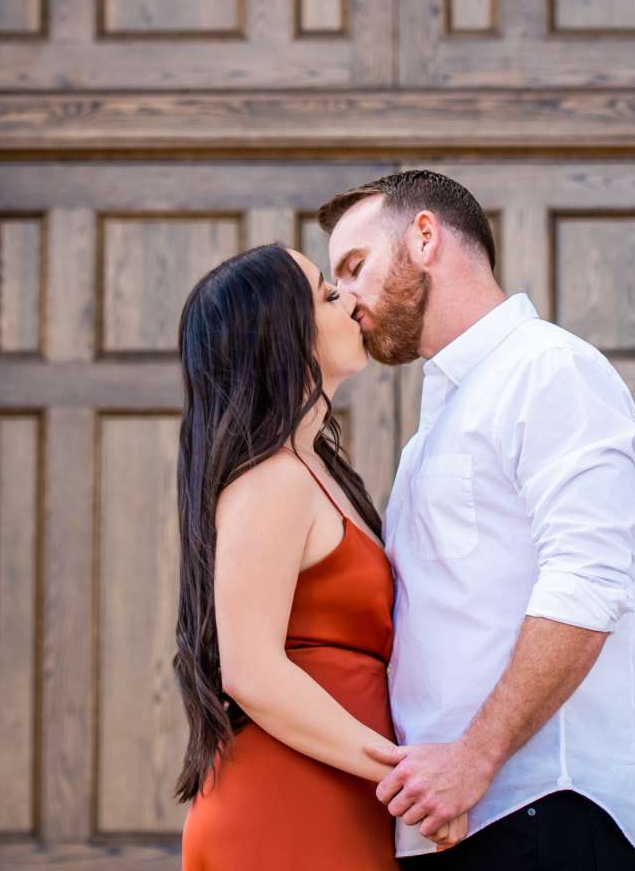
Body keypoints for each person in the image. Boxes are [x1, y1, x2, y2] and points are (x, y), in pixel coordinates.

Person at [321, 171, 635, 869]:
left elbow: (588, 581)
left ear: (423, 237)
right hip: (452, 823)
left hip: (542, 816)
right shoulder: (431, 429)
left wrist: (474, 757)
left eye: (355, 267)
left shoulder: (549, 368)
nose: (344, 298)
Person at [171, 242, 469, 868]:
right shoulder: (272, 482)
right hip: (287, 801)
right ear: (283, 336)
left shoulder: (318, 472)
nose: (352, 299)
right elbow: (250, 672)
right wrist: (408, 779)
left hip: (336, 791)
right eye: (328, 295)